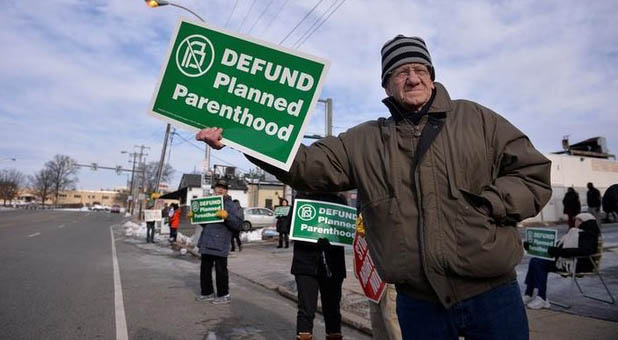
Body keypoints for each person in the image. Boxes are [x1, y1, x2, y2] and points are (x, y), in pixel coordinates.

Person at [196, 35, 552, 339]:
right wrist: (243, 137)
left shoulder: (478, 120)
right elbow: (307, 166)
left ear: (431, 76)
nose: (412, 78)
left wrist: (489, 206)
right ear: (386, 84)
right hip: (419, 304)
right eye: (401, 72)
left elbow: (532, 173)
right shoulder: (365, 140)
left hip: (491, 295)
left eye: (420, 70)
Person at [289, 192, 346, 340]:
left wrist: (332, 242)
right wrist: (311, 239)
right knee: (306, 310)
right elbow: (291, 227)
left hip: (333, 265)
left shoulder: (339, 200)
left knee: (333, 309)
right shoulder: (301, 199)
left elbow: (346, 229)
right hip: (305, 264)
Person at [522, 213, 601, 309]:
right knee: (534, 260)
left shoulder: (589, 234)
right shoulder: (573, 232)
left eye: (578, 220)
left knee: (539, 263)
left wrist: (560, 252)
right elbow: (557, 247)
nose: (575, 221)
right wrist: (531, 247)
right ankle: (528, 294)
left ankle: (542, 298)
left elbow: (585, 251)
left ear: (585, 222)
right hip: (566, 261)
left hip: (578, 264)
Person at [195, 179, 243, 304]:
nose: (220, 189)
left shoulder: (231, 205)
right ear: (214, 189)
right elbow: (205, 223)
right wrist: (196, 217)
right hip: (207, 240)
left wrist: (227, 216)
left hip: (220, 242)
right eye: (218, 187)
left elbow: (238, 224)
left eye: (223, 187)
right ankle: (207, 292)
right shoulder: (209, 203)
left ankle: (223, 295)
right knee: (205, 269)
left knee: (221, 270)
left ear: (226, 190)